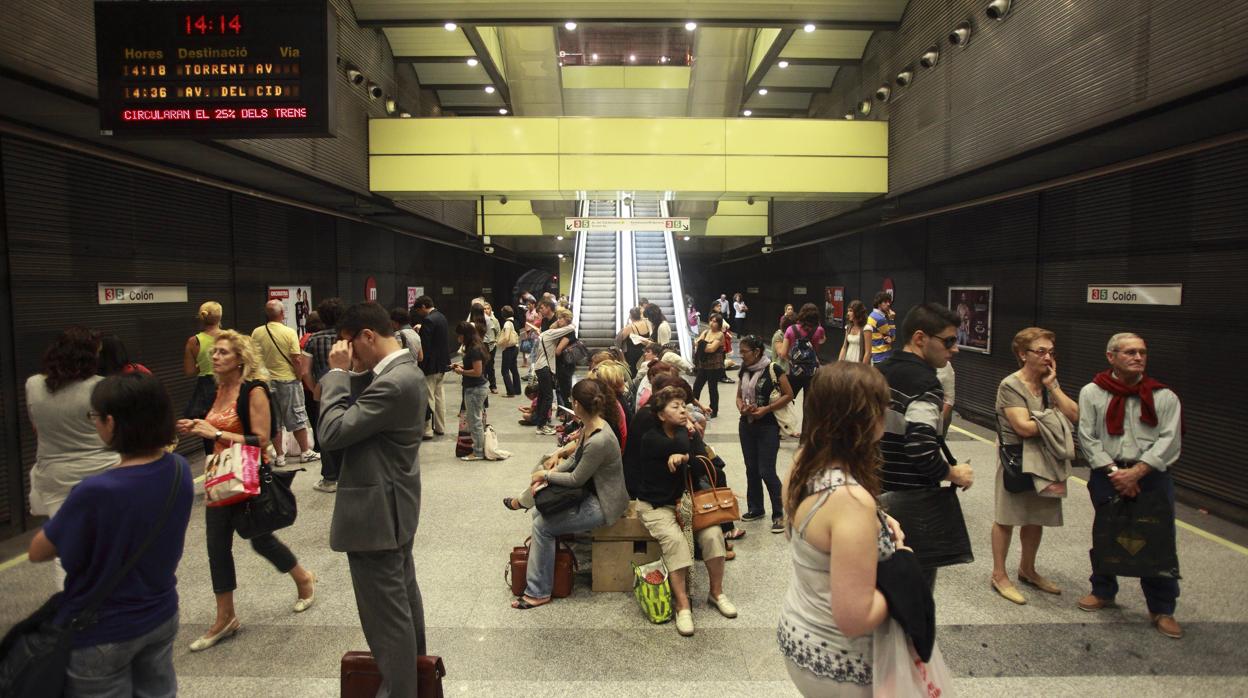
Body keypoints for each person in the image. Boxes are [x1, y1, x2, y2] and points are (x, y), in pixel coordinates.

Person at [27, 373, 194, 697]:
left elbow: (37, 551)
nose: (94, 423)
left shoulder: (96, 491)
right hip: (161, 613)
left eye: (95, 416)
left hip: (103, 629)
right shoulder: (179, 469)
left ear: (112, 422)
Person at [175, 330, 317, 651]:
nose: (215, 356)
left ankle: (303, 577)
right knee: (216, 545)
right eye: (214, 352)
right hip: (219, 474)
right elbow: (214, 430)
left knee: (259, 539)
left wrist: (216, 430)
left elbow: (261, 440)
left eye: (224, 352)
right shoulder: (216, 388)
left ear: (240, 359)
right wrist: (196, 426)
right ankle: (226, 617)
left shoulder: (254, 390)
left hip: (247, 475)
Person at [318, 302, 430, 694]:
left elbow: (331, 434)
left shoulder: (393, 382)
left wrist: (335, 374)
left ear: (368, 335)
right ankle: (415, 679)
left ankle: (401, 689)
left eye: (352, 345)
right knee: (402, 601)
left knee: (386, 620)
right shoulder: (405, 372)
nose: (351, 355)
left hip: (376, 515)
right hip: (394, 507)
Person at [777, 362, 905, 696]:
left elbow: (819, 529)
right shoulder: (850, 500)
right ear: (863, 419)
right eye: (882, 407)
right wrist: (903, 570)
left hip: (801, 630)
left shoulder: (804, 461)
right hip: (840, 661)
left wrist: (877, 525)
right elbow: (855, 616)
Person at [1076, 333, 1184, 639]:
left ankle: (1162, 607)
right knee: (1107, 531)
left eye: (1142, 353)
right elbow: (1087, 436)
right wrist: (1115, 472)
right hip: (1107, 474)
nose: (1138, 357)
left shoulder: (1164, 397)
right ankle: (1103, 590)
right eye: (1130, 352)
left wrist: (1137, 472)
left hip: (1151, 475)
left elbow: (1169, 439)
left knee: (1158, 538)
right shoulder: (1092, 393)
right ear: (1111, 357)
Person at [877, 303, 974, 591]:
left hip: (875, 494)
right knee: (914, 595)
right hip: (912, 503)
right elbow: (921, 448)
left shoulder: (879, 372)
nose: (954, 349)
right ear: (920, 339)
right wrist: (953, 473)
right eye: (948, 341)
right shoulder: (926, 384)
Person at [510, 380, 628, 608]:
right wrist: (550, 472)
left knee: (542, 526)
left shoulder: (599, 439)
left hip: (605, 503)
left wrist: (545, 476)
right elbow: (574, 460)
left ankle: (538, 591)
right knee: (538, 516)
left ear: (576, 404)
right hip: (592, 493)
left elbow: (577, 478)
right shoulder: (592, 425)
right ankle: (545, 574)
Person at [636, 387, 737, 636]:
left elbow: (703, 464)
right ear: (660, 415)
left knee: (714, 535)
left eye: (684, 405)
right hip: (657, 505)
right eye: (675, 407)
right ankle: (682, 606)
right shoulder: (651, 437)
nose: (683, 410)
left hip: (690, 502)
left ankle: (716, 592)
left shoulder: (689, 435)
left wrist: (685, 458)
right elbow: (672, 445)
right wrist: (685, 442)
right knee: (676, 542)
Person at [990, 328, 1079, 605]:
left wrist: (1054, 388)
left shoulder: (1048, 384)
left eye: (1051, 352)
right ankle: (999, 574)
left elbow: (1074, 416)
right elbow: (1023, 427)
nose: (1047, 357)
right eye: (1040, 351)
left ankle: (1027, 569)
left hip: (1045, 460)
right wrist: (1055, 420)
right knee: (1008, 516)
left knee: (1035, 515)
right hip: (1017, 459)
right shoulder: (1010, 386)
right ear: (1022, 354)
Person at [26, 327, 117, 587]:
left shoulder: (33, 385)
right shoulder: (100, 387)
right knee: (105, 541)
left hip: (54, 476)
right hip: (102, 472)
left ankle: (72, 603)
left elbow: (37, 427)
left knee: (65, 542)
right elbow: (111, 433)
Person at [737, 335, 794, 533]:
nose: (740, 355)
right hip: (746, 425)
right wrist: (741, 408)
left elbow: (789, 394)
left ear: (757, 352)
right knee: (750, 468)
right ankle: (756, 508)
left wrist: (766, 409)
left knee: (766, 470)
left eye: (744, 351)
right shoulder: (744, 369)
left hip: (768, 426)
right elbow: (738, 396)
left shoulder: (773, 369)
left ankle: (780, 514)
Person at [251, 300, 318, 466]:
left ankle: (280, 455)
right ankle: (304, 452)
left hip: (266, 382)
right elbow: (296, 358)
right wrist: (299, 376)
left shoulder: (256, 333)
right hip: (288, 380)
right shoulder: (289, 332)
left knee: (274, 420)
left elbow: (253, 357)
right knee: (297, 416)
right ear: (282, 314)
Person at [307, 297, 346, 494]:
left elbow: (305, 371)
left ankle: (330, 478)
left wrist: (314, 388)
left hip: (324, 392)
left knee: (325, 432)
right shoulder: (348, 338)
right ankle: (348, 473)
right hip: (348, 389)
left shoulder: (314, 339)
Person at [183, 301, 224, 454]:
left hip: (205, 389)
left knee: (209, 433)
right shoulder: (229, 337)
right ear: (220, 317)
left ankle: (213, 468)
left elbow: (189, 371)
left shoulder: (193, 341)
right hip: (227, 385)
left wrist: (204, 363)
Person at [530, 302, 574, 435]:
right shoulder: (551, 334)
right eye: (558, 318)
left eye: (561, 318)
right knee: (548, 396)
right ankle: (542, 425)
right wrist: (565, 322)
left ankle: (540, 423)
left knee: (544, 396)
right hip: (545, 367)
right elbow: (571, 328)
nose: (559, 320)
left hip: (541, 366)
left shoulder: (545, 333)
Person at [413, 295, 451, 440]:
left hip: (430, 366)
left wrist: (420, 365)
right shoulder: (441, 317)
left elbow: (426, 346)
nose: (419, 313)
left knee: (428, 397)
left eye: (419, 310)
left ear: (423, 306)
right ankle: (441, 427)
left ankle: (427, 430)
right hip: (442, 364)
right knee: (439, 396)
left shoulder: (428, 320)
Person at [452, 321, 489, 462]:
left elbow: (477, 371)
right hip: (475, 388)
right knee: (474, 419)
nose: (458, 339)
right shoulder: (475, 347)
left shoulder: (474, 349)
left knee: (475, 421)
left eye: (460, 336)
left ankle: (478, 452)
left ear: (465, 335)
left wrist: (462, 371)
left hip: (475, 388)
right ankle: (478, 448)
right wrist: (461, 366)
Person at [780, 303, 826, 400]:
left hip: (794, 372)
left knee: (785, 399)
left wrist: (793, 360)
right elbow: (822, 340)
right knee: (809, 405)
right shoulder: (819, 330)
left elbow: (783, 353)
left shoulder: (790, 329)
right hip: (812, 373)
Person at [692, 313, 727, 418]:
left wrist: (702, 344)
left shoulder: (720, 334)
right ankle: (694, 406)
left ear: (719, 323)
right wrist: (704, 344)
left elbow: (712, 349)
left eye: (715, 321)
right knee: (697, 387)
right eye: (711, 320)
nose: (712, 323)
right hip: (703, 365)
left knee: (712, 389)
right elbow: (696, 343)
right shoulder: (706, 332)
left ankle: (714, 410)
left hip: (714, 366)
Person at [552, 307, 579, 409]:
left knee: (565, 391)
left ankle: (569, 412)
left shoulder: (568, 332)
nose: (558, 321)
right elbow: (551, 327)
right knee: (563, 389)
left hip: (564, 365)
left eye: (560, 318)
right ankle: (565, 411)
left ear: (567, 319)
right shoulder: (564, 331)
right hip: (564, 365)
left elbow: (558, 351)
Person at [863, 292, 896, 365]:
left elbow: (888, 338)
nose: (888, 304)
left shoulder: (872, 315)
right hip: (883, 357)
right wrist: (891, 319)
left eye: (889, 302)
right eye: (885, 302)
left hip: (876, 356)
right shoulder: (880, 319)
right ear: (879, 303)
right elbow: (892, 338)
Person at [619, 307, 652, 377]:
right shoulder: (647, 324)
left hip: (632, 354)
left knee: (633, 372)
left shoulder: (630, 327)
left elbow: (621, 338)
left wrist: (626, 325)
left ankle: (634, 385)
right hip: (645, 352)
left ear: (631, 316)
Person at [498, 305, 522, 397]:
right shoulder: (515, 321)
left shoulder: (507, 323)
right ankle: (517, 390)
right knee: (514, 369)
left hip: (509, 349)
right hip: (515, 347)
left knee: (504, 371)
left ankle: (510, 392)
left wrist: (501, 343)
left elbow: (507, 337)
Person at [838, 300, 869, 365]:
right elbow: (844, 347)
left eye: (851, 311)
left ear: (858, 312)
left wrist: (862, 369)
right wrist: (838, 364)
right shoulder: (848, 327)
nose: (848, 313)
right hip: (848, 359)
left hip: (859, 361)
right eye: (848, 311)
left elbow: (868, 352)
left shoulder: (866, 328)